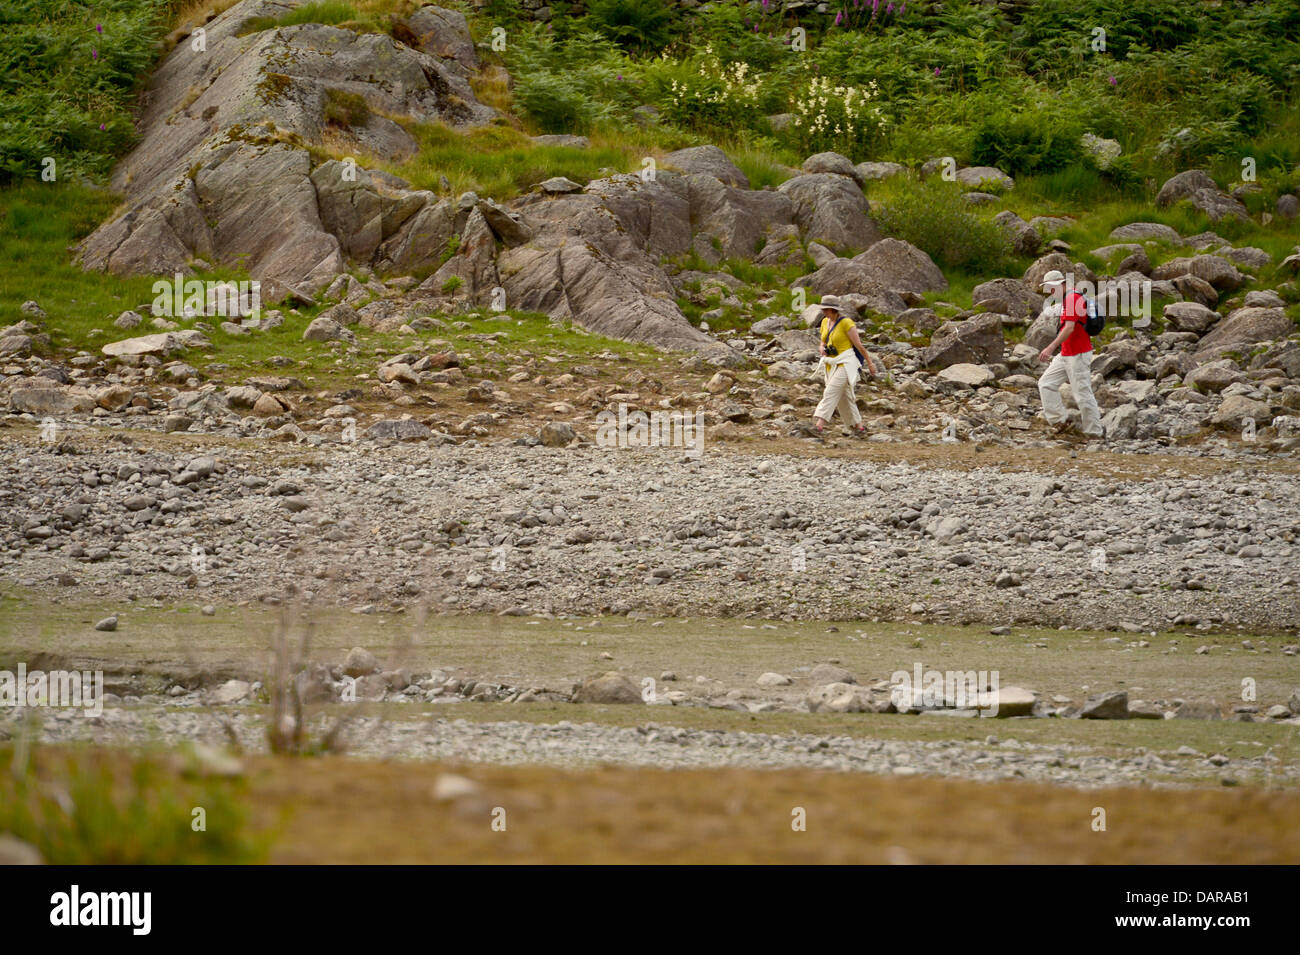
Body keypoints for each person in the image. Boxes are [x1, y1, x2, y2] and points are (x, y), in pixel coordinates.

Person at [1036, 270, 1103, 438]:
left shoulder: (1072, 298)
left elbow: (1069, 327)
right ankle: (1061, 422)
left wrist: (1050, 348)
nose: (1050, 292)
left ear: (1061, 284)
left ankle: (1094, 432)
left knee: (1082, 394)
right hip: (1067, 353)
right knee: (1045, 383)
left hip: (1078, 354)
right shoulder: (1069, 298)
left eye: (1051, 288)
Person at [813, 296, 878, 436]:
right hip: (831, 363)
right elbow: (822, 341)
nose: (824, 312)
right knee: (843, 396)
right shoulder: (825, 322)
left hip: (846, 363)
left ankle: (819, 425)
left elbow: (859, 345)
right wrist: (822, 348)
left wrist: (870, 363)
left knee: (830, 391)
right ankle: (858, 426)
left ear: (833, 309)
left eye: (826, 309)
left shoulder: (846, 323)